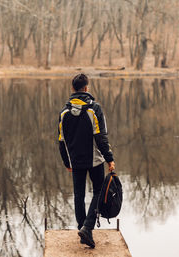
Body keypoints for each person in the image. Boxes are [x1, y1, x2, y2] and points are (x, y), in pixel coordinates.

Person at [58, 73, 115, 248]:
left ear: (73, 89)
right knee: (98, 191)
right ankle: (87, 228)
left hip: (75, 161)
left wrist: (67, 162)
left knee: (79, 195)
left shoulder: (64, 113)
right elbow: (101, 138)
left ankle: (82, 228)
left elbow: (61, 141)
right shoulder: (94, 109)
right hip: (95, 160)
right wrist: (109, 159)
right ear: (86, 88)